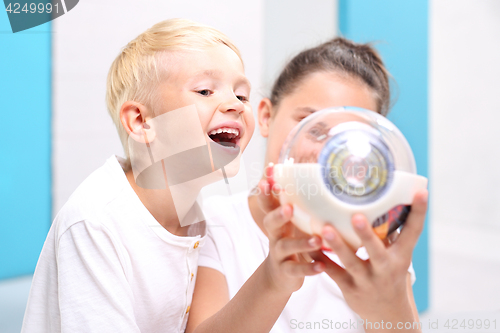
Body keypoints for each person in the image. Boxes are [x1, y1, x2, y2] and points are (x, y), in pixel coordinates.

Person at [21, 18, 258, 332]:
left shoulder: (197, 219)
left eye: (241, 96)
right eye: (205, 90)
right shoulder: (95, 224)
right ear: (141, 122)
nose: (235, 105)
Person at [189, 38, 428, 333]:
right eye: (313, 128)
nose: (328, 155)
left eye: (349, 140)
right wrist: (273, 281)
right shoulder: (215, 225)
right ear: (266, 116)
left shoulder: (374, 244)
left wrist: (389, 312)